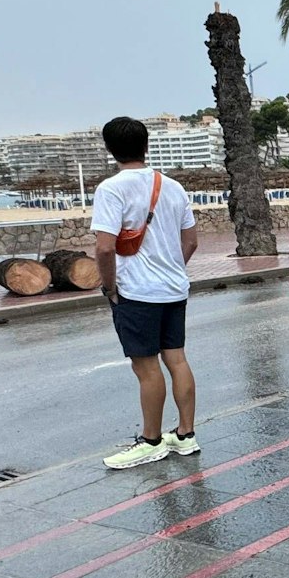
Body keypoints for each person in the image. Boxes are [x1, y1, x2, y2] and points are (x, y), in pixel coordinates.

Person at [92, 116, 200, 469]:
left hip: (137, 292)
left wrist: (110, 287)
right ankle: (185, 435)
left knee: (146, 367)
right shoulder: (173, 187)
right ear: (147, 144)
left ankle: (151, 440)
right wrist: (173, 269)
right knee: (177, 360)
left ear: (110, 149)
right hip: (174, 288)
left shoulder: (111, 189)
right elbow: (191, 241)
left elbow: (104, 247)